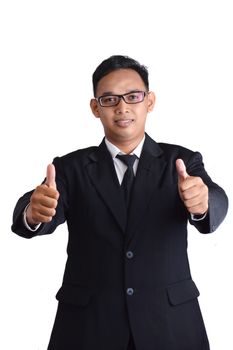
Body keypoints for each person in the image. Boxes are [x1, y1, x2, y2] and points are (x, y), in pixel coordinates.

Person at [12, 55, 228, 350]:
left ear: (149, 101)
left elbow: (215, 198)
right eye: (110, 99)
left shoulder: (181, 161)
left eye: (133, 96)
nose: (122, 107)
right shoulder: (70, 168)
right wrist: (32, 212)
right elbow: (38, 207)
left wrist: (202, 204)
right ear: (95, 107)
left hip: (169, 325)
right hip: (88, 327)